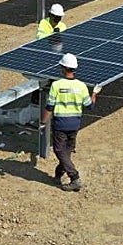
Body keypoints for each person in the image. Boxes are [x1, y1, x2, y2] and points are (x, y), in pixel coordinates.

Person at [40, 53, 101, 192]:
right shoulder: (81, 86)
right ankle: (58, 174)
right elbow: (90, 106)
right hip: (75, 125)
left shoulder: (56, 85)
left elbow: (49, 107)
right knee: (66, 151)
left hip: (60, 124)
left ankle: (75, 178)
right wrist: (94, 93)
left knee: (59, 150)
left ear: (63, 68)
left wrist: (43, 122)